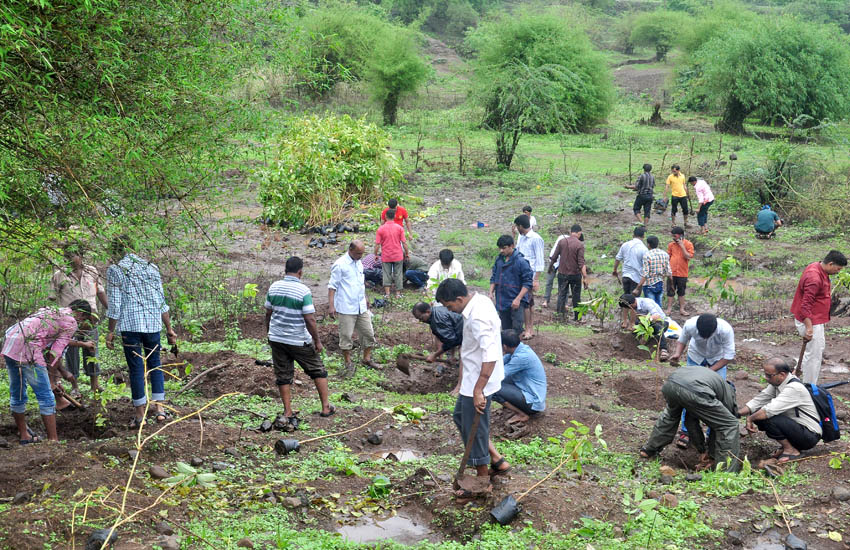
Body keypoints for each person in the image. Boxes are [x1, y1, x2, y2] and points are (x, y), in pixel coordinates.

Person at [436, 278, 510, 501]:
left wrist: (479, 390)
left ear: (459, 299)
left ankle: (481, 482)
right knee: (460, 417)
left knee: (474, 430)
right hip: (472, 379)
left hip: (478, 381)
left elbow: (491, 355)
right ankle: (497, 460)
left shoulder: (477, 316)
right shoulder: (479, 301)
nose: (452, 311)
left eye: (450, 307)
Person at [105, 236, 177, 429]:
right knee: (155, 364)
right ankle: (160, 410)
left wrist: (110, 331)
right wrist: (169, 328)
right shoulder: (151, 268)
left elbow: (115, 305)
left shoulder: (115, 270)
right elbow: (161, 301)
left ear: (115, 252)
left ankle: (140, 416)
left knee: (136, 369)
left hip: (130, 326)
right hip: (153, 324)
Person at [265, 257, 334, 428]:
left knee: (283, 375)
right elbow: (310, 319)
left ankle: (287, 412)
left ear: (285, 270)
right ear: (300, 272)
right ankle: (326, 407)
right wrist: (317, 341)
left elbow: (268, 313)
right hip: (297, 339)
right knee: (318, 370)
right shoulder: (303, 291)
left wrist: (269, 332)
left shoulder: (274, 287)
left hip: (277, 338)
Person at [639, 364, 741, 473]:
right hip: (696, 389)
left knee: (670, 417)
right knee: (730, 425)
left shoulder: (713, 382)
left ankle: (649, 450)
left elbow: (690, 421)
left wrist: (702, 450)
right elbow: (723, 426)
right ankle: (726, 473)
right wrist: (712, 456)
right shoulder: (728, 393)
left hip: (670, 385)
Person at [668, 313, 735, 449]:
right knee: (689, 392)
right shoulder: (690, 324)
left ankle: (712, 433)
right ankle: (686, 432)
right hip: (695, 356)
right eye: (702, 335)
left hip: (717, 358)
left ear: (714, 330)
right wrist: (677, 354)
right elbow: (683, 340)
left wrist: (710, 371)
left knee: (716, 395)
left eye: (707, 335)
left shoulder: (725, 330)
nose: (704, 337)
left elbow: (728, 356)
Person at [739, 357, 821, 463]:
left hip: (809, 435)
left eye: (769, 375)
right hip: (797, 429)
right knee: (758, 413)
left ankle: (790, 450)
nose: (766, 378)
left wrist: (750, 419)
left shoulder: (794, 388)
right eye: (765, 374)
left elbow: (768, 411)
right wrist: (737, 413)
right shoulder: (777, 383)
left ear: (782, 374)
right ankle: (789, 446)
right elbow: (758, 401)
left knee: (767, 417)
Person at [50, 247, 108, 394]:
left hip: (90, 319)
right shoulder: (59, 275)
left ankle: (94, 384)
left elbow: (100, 292)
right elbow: (52, 297)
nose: (70, 259)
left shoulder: (92, 271)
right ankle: (74, 385)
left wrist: (109, 309)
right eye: (66, 256)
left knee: (92, 350)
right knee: (71, 352)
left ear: (81, 255)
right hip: (70, 321)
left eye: (73, 255)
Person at [791, 250, 847, 384]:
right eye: (838, 269)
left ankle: (795, 373)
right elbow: (805, 306)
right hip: (809, 320)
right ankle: (809, 387)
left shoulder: (817, 266)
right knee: (814, 356)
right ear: (831, 264)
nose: (838, 272)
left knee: (816, 349)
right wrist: (809, 328)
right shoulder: (814, 278)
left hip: (815, 318)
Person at [328, 240, 378, 376]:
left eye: (362, 253)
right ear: (350, 250)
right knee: (346, 336)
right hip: (346, 306)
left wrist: (366, 298)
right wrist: (331, 306)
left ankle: (366, 359)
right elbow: (332, 286)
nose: (360, 256)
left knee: (368, 333)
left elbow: (360, 283)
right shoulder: (339, 265)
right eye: (358, 253)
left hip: (361, 306)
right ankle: (348, 363)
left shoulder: (359, 263)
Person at [492, 329, 547, 425]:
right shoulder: (520, 349)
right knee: (500, 381)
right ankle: (512, 405)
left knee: (492, 388)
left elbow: (499, 374)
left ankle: (521, 414)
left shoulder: (521, 357)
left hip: (533, 403)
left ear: (504, 346)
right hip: (528, 393)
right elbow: (499, 363)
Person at [490, 235, 533, 333]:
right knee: (505, 329)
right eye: (500, 248)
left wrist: (518, 299)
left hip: (516, 300)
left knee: (517, 329)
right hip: (502, 300)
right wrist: (491, 292)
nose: (501, 251)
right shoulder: (499, 260)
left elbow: (527, 283)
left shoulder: (521, 262)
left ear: (512, 246)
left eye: (504, 248)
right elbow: (494, 276)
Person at [514, 214, 545, 339]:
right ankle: (528, 328)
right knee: (528, 302)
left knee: (527, 302)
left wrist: (536, 279)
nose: (516, 229)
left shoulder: (536, 239)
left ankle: (528, 329)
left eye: (517, 227)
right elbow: (516, 252)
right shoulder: (521, 238)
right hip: (520, 274)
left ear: (521, 226)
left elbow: (539, 260)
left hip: (530, 275)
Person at [613, 226, 648, 327]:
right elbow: (645, 266)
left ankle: (624, 322)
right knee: (634, 301)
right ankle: (632, 323)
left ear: (633, 235)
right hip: (636, 278)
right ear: (643, 236)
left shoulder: (625, 245)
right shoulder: (643, 248)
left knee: (625, 299)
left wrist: (615, 270)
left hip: (626, 276)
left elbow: (618, 258)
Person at [618, 294, 670, 361]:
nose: (629, 309)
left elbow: (657, 316)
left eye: (628, 308)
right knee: (635, 328)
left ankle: (664, 349)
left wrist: (647, 320)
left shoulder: (646, 303)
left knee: (657, 327)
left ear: (632, 304)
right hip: (646, 323)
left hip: (661, 322)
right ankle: (644, 340)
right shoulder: (634, 305)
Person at [374, 209, 409, 299]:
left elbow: (377, 244)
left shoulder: (380, 229)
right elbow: (404, 242)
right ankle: (398, 294)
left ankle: (387, 294)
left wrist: (375, 254)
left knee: (386, 273)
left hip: (386, 255)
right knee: (398, 273)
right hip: (398, 255)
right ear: (394, 217)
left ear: (385, 217)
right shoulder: (399, 228)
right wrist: (407, 253)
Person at [633, 236, 671, 308]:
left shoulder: (647, 255)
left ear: (648, 245)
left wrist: (637, 288)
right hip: (660, 283)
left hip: (649, 284)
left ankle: (653, 318)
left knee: (651, 306)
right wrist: (671, 284)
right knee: (658, 305)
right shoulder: (664, 254)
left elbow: (645, 274)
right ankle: (659, 318)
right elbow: (669, 272)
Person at [666, 227, 694, 317]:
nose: (673, 237)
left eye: (675, 235)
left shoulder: (688, 244)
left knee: (681, 291)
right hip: (672, 272)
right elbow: (668, 257)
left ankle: (682, 309)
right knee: (670, 290)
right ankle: (669, 309)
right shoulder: (671, 245)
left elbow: (688, 257)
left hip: (682, 273)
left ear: (680, 235)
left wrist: (682, 246)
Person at [541, 231, 567, 309]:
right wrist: (550, 266)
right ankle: (546, 300)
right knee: (549, 281)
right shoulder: (563, 240)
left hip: (564, 262)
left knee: (564, 282)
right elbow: (554, 255)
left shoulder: (571, 241)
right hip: (554, 261)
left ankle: (564, 302)